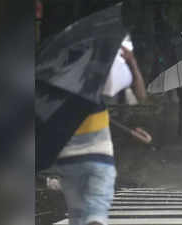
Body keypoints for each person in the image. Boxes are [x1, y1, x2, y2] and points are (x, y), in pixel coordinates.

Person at [53, 37, 147, 225]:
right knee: (96, 207)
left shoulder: (54, 92)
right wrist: (132, 62)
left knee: (77, 214)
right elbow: (141, 96)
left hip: (68, 161)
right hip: (100, 156)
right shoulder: (98, 81)